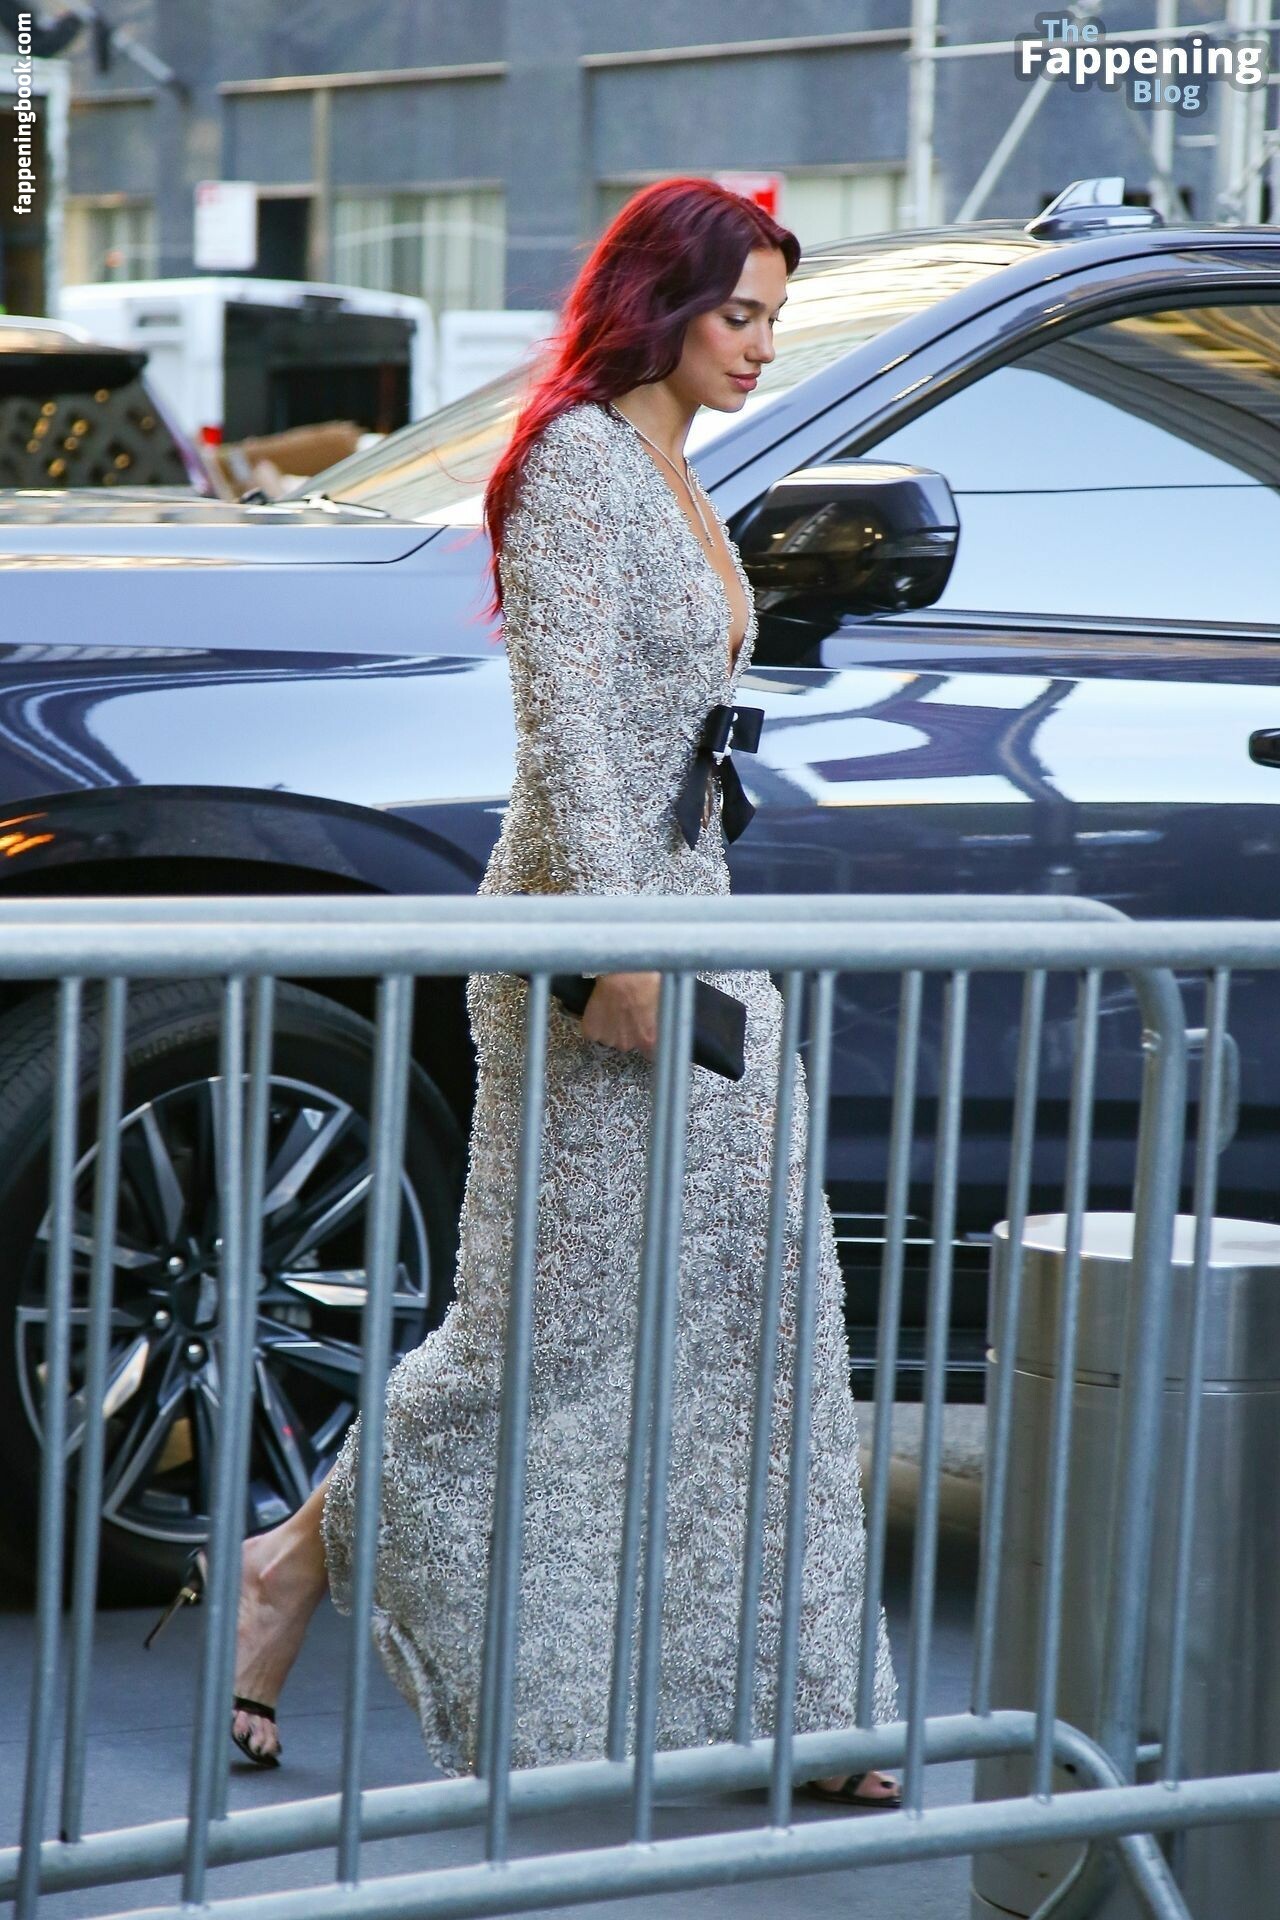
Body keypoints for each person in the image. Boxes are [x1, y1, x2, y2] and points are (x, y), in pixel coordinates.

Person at [160, 176, 899, 1805]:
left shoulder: (677, 468)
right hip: (590, 946)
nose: (761, 346)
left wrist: (675, 931)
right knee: (537, 1341)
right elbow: (562, 729)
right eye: (739, 314)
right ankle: (289, 1567)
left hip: (698, 932)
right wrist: (617, 946)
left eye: (774, 317)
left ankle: (803, 1701)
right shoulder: (574, 459)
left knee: (756, 1312)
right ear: (663, 303)